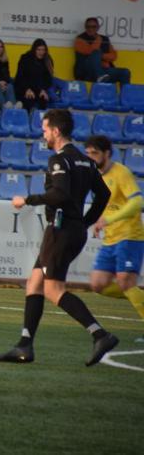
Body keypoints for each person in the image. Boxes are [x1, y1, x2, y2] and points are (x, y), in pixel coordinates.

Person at [0, 109, 117, 367]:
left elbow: (59, 195)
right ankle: (24, 345)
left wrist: (27, 200)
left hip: (60, 231)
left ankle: (100, 334)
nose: (43, 133)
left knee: (53, 289)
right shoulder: (85, 161)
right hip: (72, 230)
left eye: (45, 128)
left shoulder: (59, 161)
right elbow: (104, 195)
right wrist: (85, 222)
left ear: (56, 131)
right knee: (35, 282)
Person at [84, 135, 144, 338]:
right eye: (88, 153)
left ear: (107, 154)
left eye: (95, 153)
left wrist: (110, 219)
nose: (91, 157)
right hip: (110, 238)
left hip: (130, 235)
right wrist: (98, 221)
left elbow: (137, 203)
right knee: (98, 284)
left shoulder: (121, 173)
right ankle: (138, 295)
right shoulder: (94, 176)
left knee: (126, 281)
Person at [74, 17, 131, 85]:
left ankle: (124, 95)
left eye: (93, 27)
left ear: (98, 27)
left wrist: (101, 55)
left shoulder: (105, 39)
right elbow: (90, 51)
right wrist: (98, 40)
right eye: (88, 26)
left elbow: (113, 56)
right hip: (87, 72)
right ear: (85, 27)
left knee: (125, 72)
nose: (90, 29)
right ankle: (100, 76)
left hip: (104, 71)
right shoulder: (79, 39)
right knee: (96, 52)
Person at [14, 39, 54, 111]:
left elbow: (48, 78)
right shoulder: (25, 58)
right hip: (24, 88)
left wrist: (43, 89)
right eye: (39, 50)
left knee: (44, 99)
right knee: (28, 100)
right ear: (34, 49)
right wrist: (27, 89)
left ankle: (41, 120)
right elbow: (20, 76)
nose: (41, 52)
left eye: (43, 50)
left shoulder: (48, 60)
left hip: (39, 89)